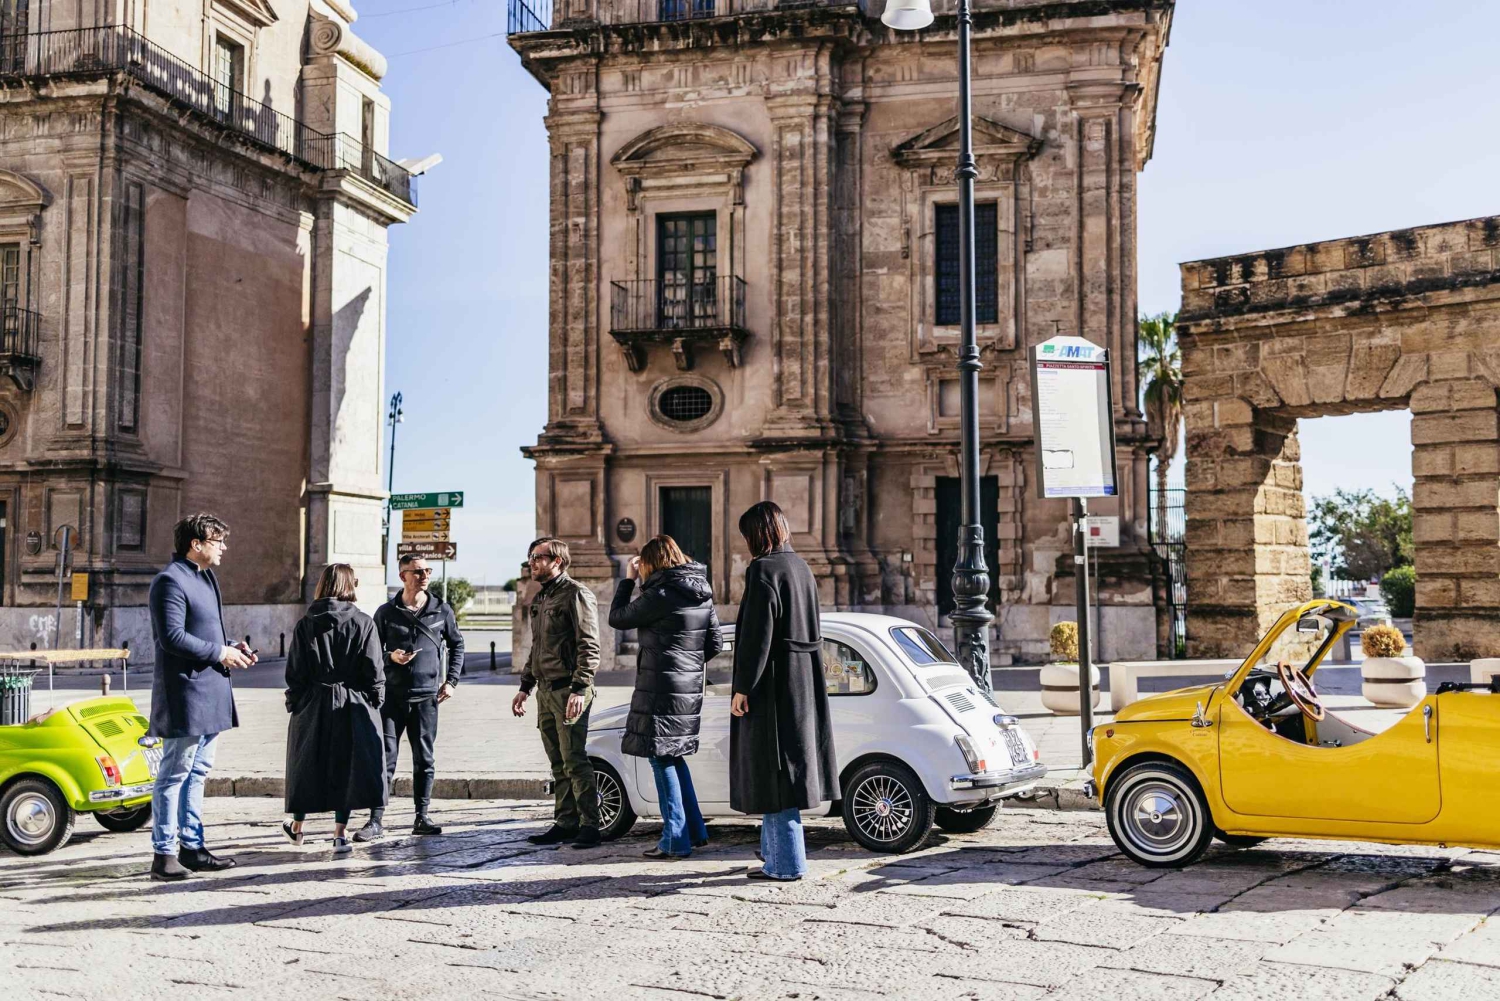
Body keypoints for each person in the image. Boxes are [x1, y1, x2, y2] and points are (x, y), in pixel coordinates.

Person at [729, 501, 839, 881]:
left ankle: (787, 863)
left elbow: (757, 637)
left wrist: (742, 687)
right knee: (784, 769)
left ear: (758, 533)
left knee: (773, 773)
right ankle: (775, 858)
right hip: (803, 680)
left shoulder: (763, 570)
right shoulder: (802, 567)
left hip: (773, 683)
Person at [147, 514, 257, 882]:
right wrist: (219, 653)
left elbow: (205, 633)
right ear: (197, 544)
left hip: (209, 691)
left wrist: (231, 648)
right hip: (186, 694)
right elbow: (171, 638)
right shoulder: (169, 581)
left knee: (198, 773)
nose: (224, 547)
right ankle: (164, 854)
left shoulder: (206, 577)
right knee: (174, 773)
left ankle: (192, 848)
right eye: (218, 540)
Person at [608, 535, 722, 858]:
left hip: (660, 691)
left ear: (652, 563)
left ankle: (675, 839)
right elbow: (713, 643)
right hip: (687, 691)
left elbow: (617, 617)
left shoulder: (660, 593)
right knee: (674, 756)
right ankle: (695, 831)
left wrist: (627, 581)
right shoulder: (701, 592)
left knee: (661, 758)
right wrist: (686, 666)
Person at [354, 553, 464, 841]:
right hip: (391, 698)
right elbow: (372, 650)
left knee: (424, 759)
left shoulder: (442, 609)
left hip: (427, 698)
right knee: (384, 758)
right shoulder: (386, 612)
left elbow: (457, 645)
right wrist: (391, 656)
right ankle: (375, 820)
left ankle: (422, 816)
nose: (424, 576)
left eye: (427, 570)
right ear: (403, 576)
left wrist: (451, 681)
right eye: (417, 572)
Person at [282, 564, 387, 853]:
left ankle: (298, 828)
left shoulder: (305, 624)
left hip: (313, 702)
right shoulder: (364, 623)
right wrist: (372, 702)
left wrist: (297, 702)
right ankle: (340, 834)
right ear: (350, 585)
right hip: (352, 703)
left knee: (305, 765)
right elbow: (375, 671)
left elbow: (295, 672)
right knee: (346, 766)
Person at [511, 537, 602, 849]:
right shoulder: (541, 598)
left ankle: (591, 825)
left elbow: (589, 646)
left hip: (569, 691)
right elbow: (538, 648)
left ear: (558, 561)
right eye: (530, 557)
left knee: (575, 760)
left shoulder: (576, 594)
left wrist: (580, 687)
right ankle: (566, 822)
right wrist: (525, 686)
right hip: (546, 692)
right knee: (557, 763)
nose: (532, 562)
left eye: (539, 557)